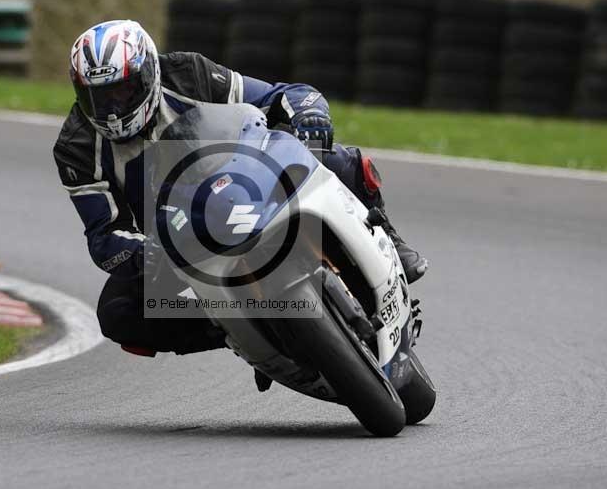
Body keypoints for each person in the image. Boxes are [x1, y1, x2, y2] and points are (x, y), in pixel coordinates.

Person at [53, 20, 428, 356]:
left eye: (122, 92)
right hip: (177, 240)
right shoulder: (77, 148)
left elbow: (276, 95)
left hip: (246, 180)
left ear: (149, 73)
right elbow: (104, 236)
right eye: (99, 98)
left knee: (334, 157)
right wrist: (147, 251)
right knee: (117, 313)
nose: (113, 109)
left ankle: (389, 238)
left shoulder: (187, 74)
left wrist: (308, 113)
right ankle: (234, 331)